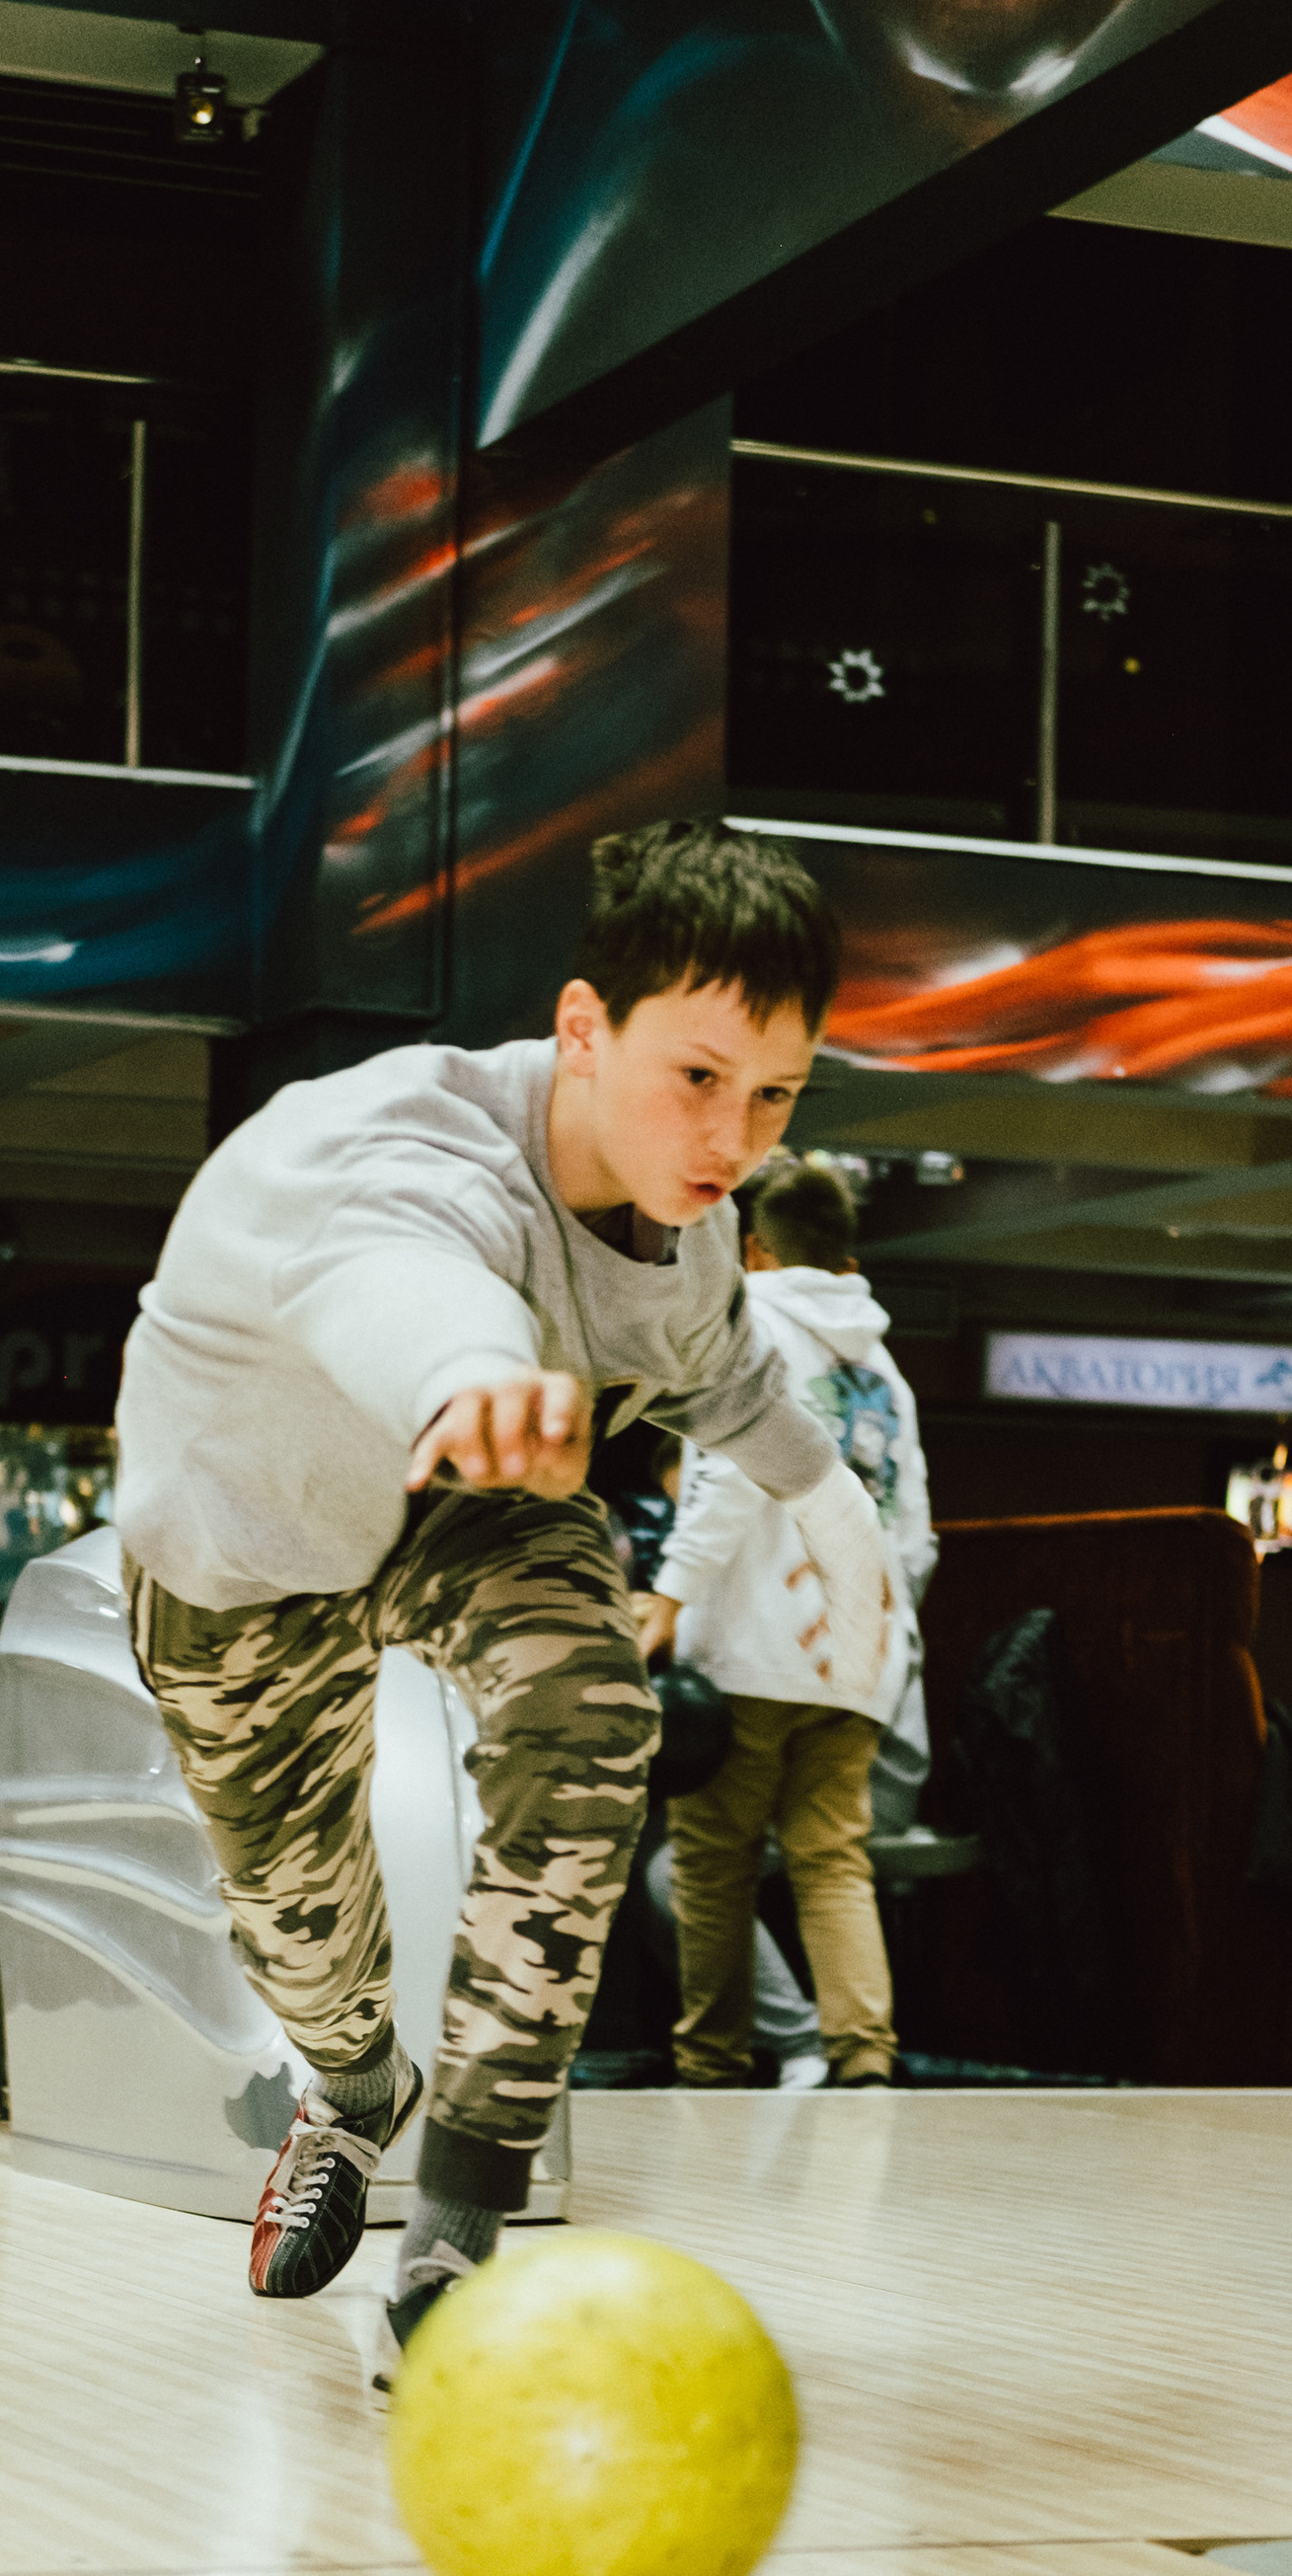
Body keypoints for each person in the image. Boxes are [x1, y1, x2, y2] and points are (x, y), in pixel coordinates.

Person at [114, 817, 895, 2383]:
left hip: (469, 1502)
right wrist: (472, 1369)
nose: (733, 1137)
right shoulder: (395, 1142)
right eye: (698, 1076)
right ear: (582, 1029)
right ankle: (353, 2095)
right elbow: (396, 1267)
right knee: (303, 1937)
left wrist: (834, 1505)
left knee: (592, 1709)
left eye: (776, 1094)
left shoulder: (691, 1215)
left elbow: (721, 1364)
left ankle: (458, 2230)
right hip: (242, 1553)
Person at [637, 1155, 936, 2089]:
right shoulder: (885, 1368)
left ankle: (711, 2064)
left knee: (710, 1864)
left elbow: (729, 1477)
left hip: (750, 1644)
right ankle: (863, 2059)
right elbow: (915, 1534)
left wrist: (669, 1595)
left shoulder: (749, 1322)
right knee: (833, 1862)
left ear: (754, 1248)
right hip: (855, 1655)